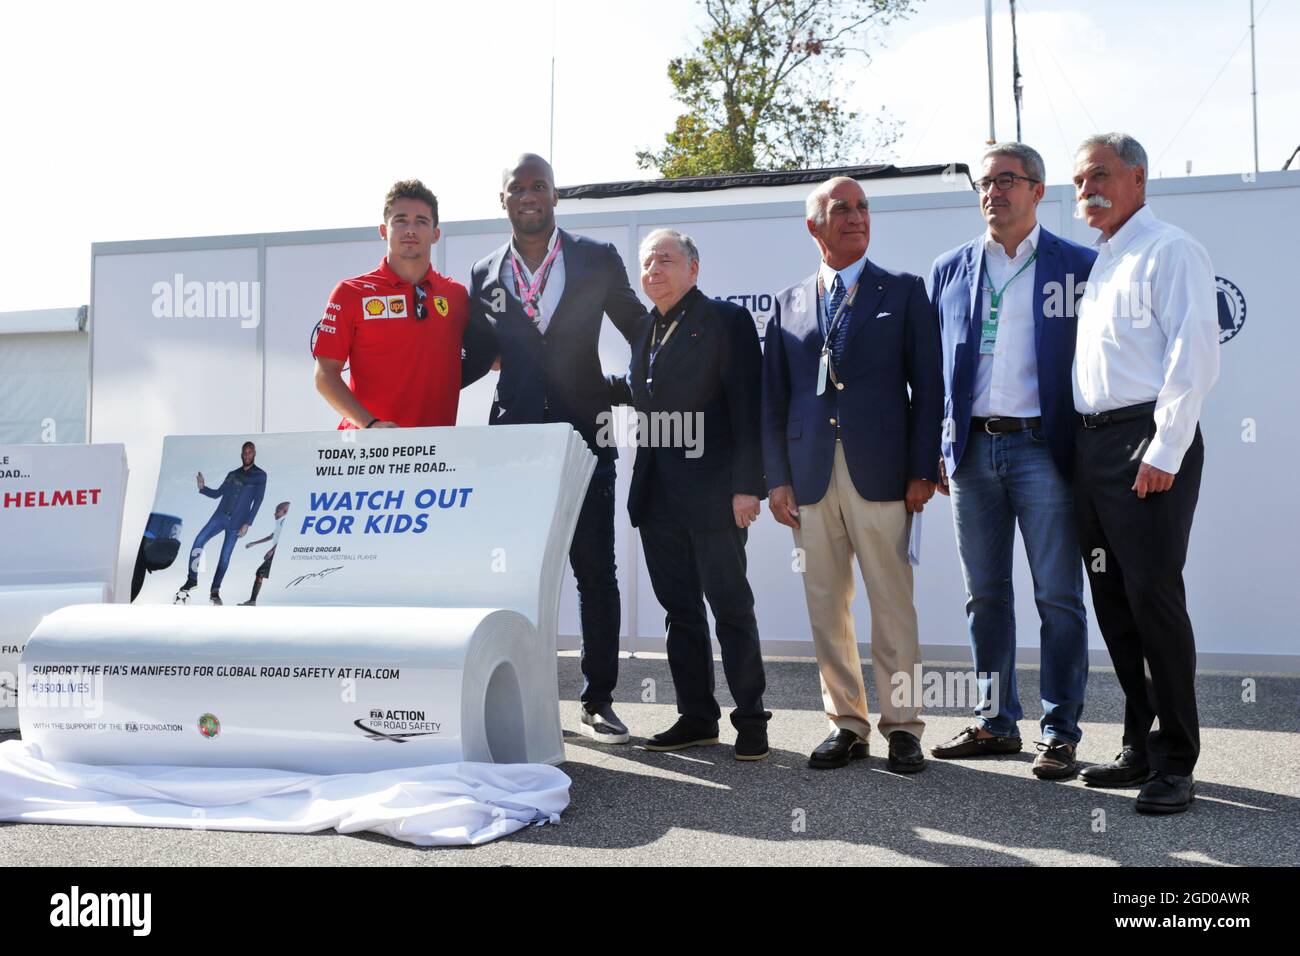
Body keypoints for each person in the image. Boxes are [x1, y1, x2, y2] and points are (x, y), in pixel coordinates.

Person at [463, 153, 647, 744]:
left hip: (583, 437)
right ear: (503, 200)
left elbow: (641, 331)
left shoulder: (596, 257)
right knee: (514, 576)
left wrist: (617, 390)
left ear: (554, 195)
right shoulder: (483, 272)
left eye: (538, 185)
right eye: (517, 187)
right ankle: (521, 693)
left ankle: (598, 700)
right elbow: (470, 357)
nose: (528, 195)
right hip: (513, 445)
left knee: (595, 570)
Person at [761, 176, 943, 772]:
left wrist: (921, 468)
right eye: (842, 209)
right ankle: (846, 722)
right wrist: (777, 480)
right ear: (814, 225)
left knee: (893, 605)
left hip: (884, 475)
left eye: (863, 208)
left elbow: (929, 389)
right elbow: (774, 402)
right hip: (810, 478)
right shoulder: (786, 304)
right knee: (825, 606)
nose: (856, 217)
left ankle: (903, 727)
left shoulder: (905, 291)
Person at [928, 143, 1097, 779]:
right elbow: (933, 371)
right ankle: (996, 724)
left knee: (1058, 596)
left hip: (1043, 448)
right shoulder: (950, 268)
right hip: (972, 449)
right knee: (985, 598)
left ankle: (1060, 732)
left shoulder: (1078, 266)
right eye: (984, 182)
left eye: (1007, 180)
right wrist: (937, 448)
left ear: (1037, 189)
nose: (993, 191)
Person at [1070, 133, 1219, 814]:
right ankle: (1140, 741)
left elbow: (1194, 355)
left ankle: (1176, 762)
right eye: (1078, 180)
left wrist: (1164, 449)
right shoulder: (1104, 260)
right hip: (1093, 449)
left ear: (1138, 178)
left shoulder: (1171, 250)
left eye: (1099, 175)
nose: (1087, 189)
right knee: (1115, 604)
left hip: (1145, 444)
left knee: (1153, 601)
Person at [626, 229, 770, 760]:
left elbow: (746, 408)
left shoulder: (725, 321)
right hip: (657, 497)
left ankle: (752, 720)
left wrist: (745, 488)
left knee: (731, 609)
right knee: (680, 613)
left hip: (715, 494)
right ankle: (696, 717)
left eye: (665, 260)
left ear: (694, 268)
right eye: (646, 263)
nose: (654, 271)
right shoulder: (645, 327)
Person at [312, 179, 479, 429]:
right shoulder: (350, 293)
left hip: (435, 452)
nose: (410, 230)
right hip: (366, 451)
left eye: (421, 221)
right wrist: (370, 425)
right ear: (383, 230)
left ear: (435, 234)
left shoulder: (456, 296)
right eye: (400, 220)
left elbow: (490, 356)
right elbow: (325, 375)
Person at [177, 441, 267, 606]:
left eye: (250, 452)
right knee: (199, 540)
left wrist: (248, 523)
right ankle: (192, 579)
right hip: (219, 517)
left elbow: (258, 501)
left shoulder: (260, 475)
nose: (247, 455)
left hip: (237, 523)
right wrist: (203, 488)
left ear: (254, 453)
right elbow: (218, 493)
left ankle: (215, 591)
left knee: (225, 557)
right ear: (241, 455)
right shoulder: (232, 474)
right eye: (244, 452)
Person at [238, 501, 290, 606]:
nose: (275, 513)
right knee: (260, 573)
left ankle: (252, 601)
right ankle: (252, 601)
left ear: (285, 511)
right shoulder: (280, 523)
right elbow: (271, 537)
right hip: (275, 552)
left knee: (260, 573)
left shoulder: (285, 522)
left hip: (278, 553)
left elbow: (284, 540)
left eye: (277, 511)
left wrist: (272, 550)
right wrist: (254, 543)